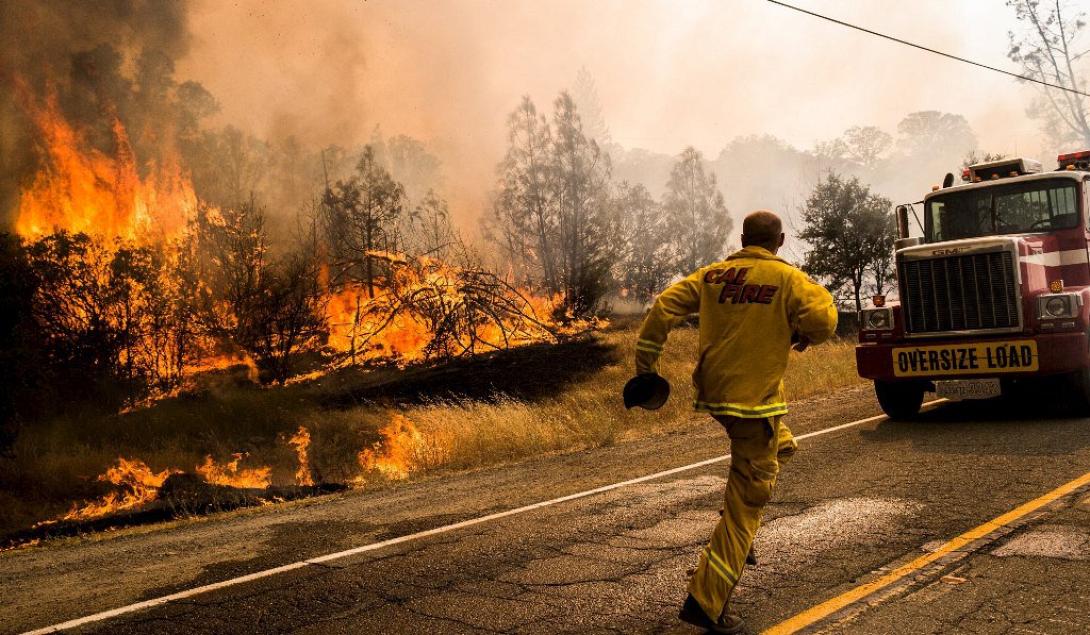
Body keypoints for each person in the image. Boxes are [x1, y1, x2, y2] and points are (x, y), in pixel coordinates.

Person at [631, 210, 837, 634]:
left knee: (777, 445)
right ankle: (708, 600)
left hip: (719, 399)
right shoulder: (790, 280)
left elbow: (663, 306)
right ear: (780, 240)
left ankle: (759, 487)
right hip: (753, 407)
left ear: (743, 238)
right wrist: (803, 334)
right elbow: (823, 319)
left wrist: (645, 368)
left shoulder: (713, 277)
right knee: (748, 504)